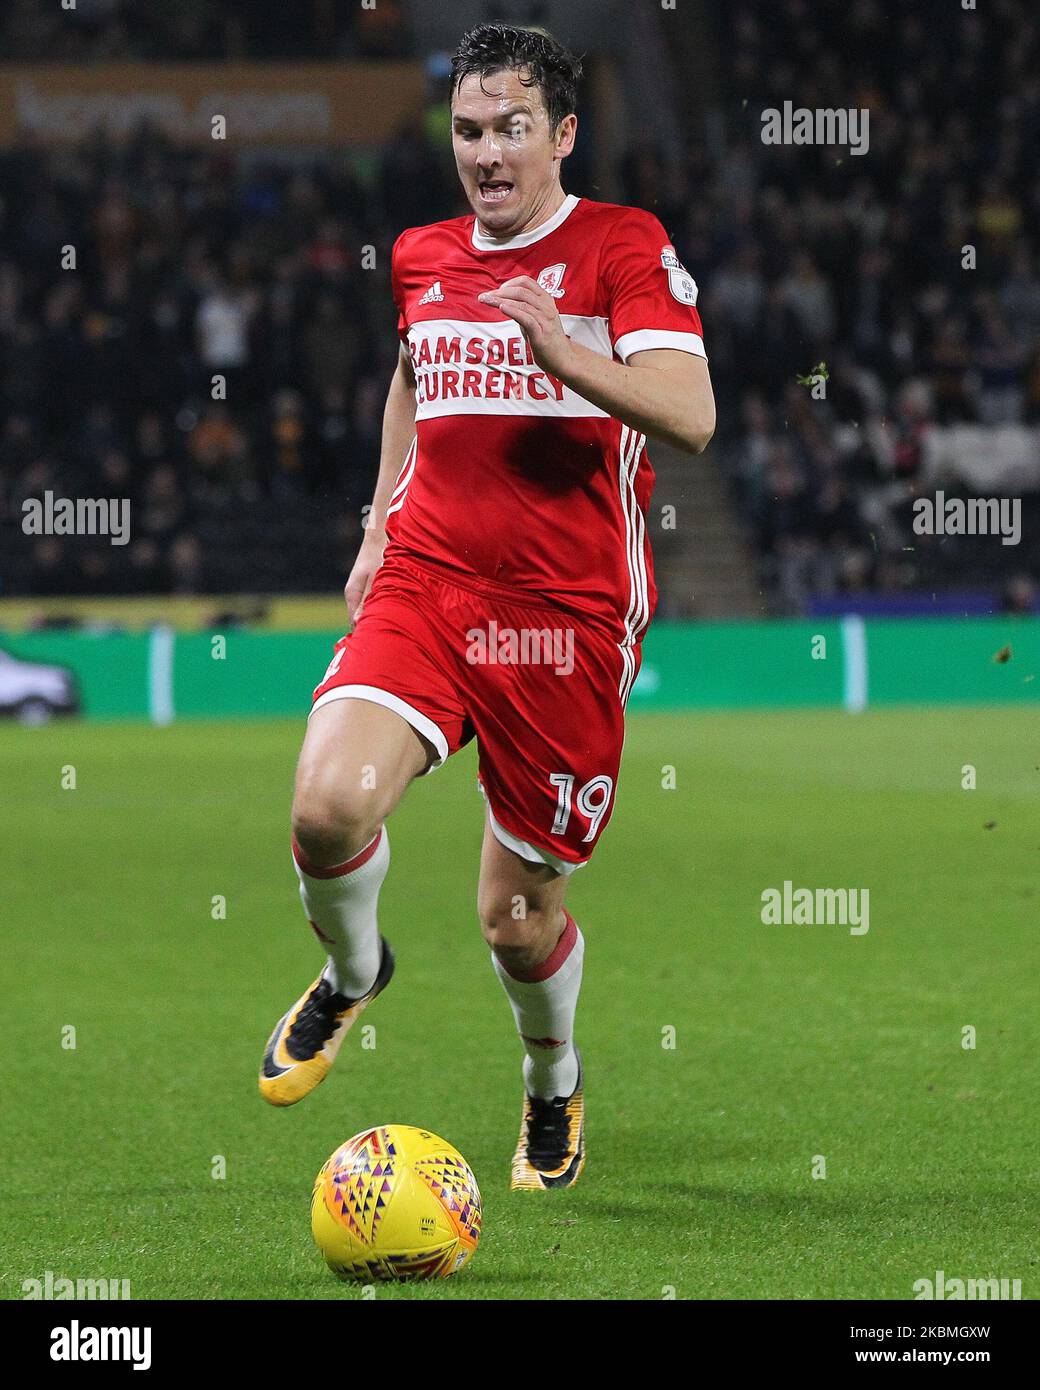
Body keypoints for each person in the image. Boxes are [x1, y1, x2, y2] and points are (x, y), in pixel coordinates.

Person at [259, 22, 715, 1190]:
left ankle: (550, 1087)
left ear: (561, 134)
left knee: (515, 919)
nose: (487, 154)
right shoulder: (420, 253)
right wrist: (375, 526)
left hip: (566, 615)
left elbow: (690, 409)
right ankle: (355, 973)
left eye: (512, 128)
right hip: (429, 579)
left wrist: (565, 355)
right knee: (325, 807)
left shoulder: (621, 246)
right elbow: (414, 374)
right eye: (468, 130)